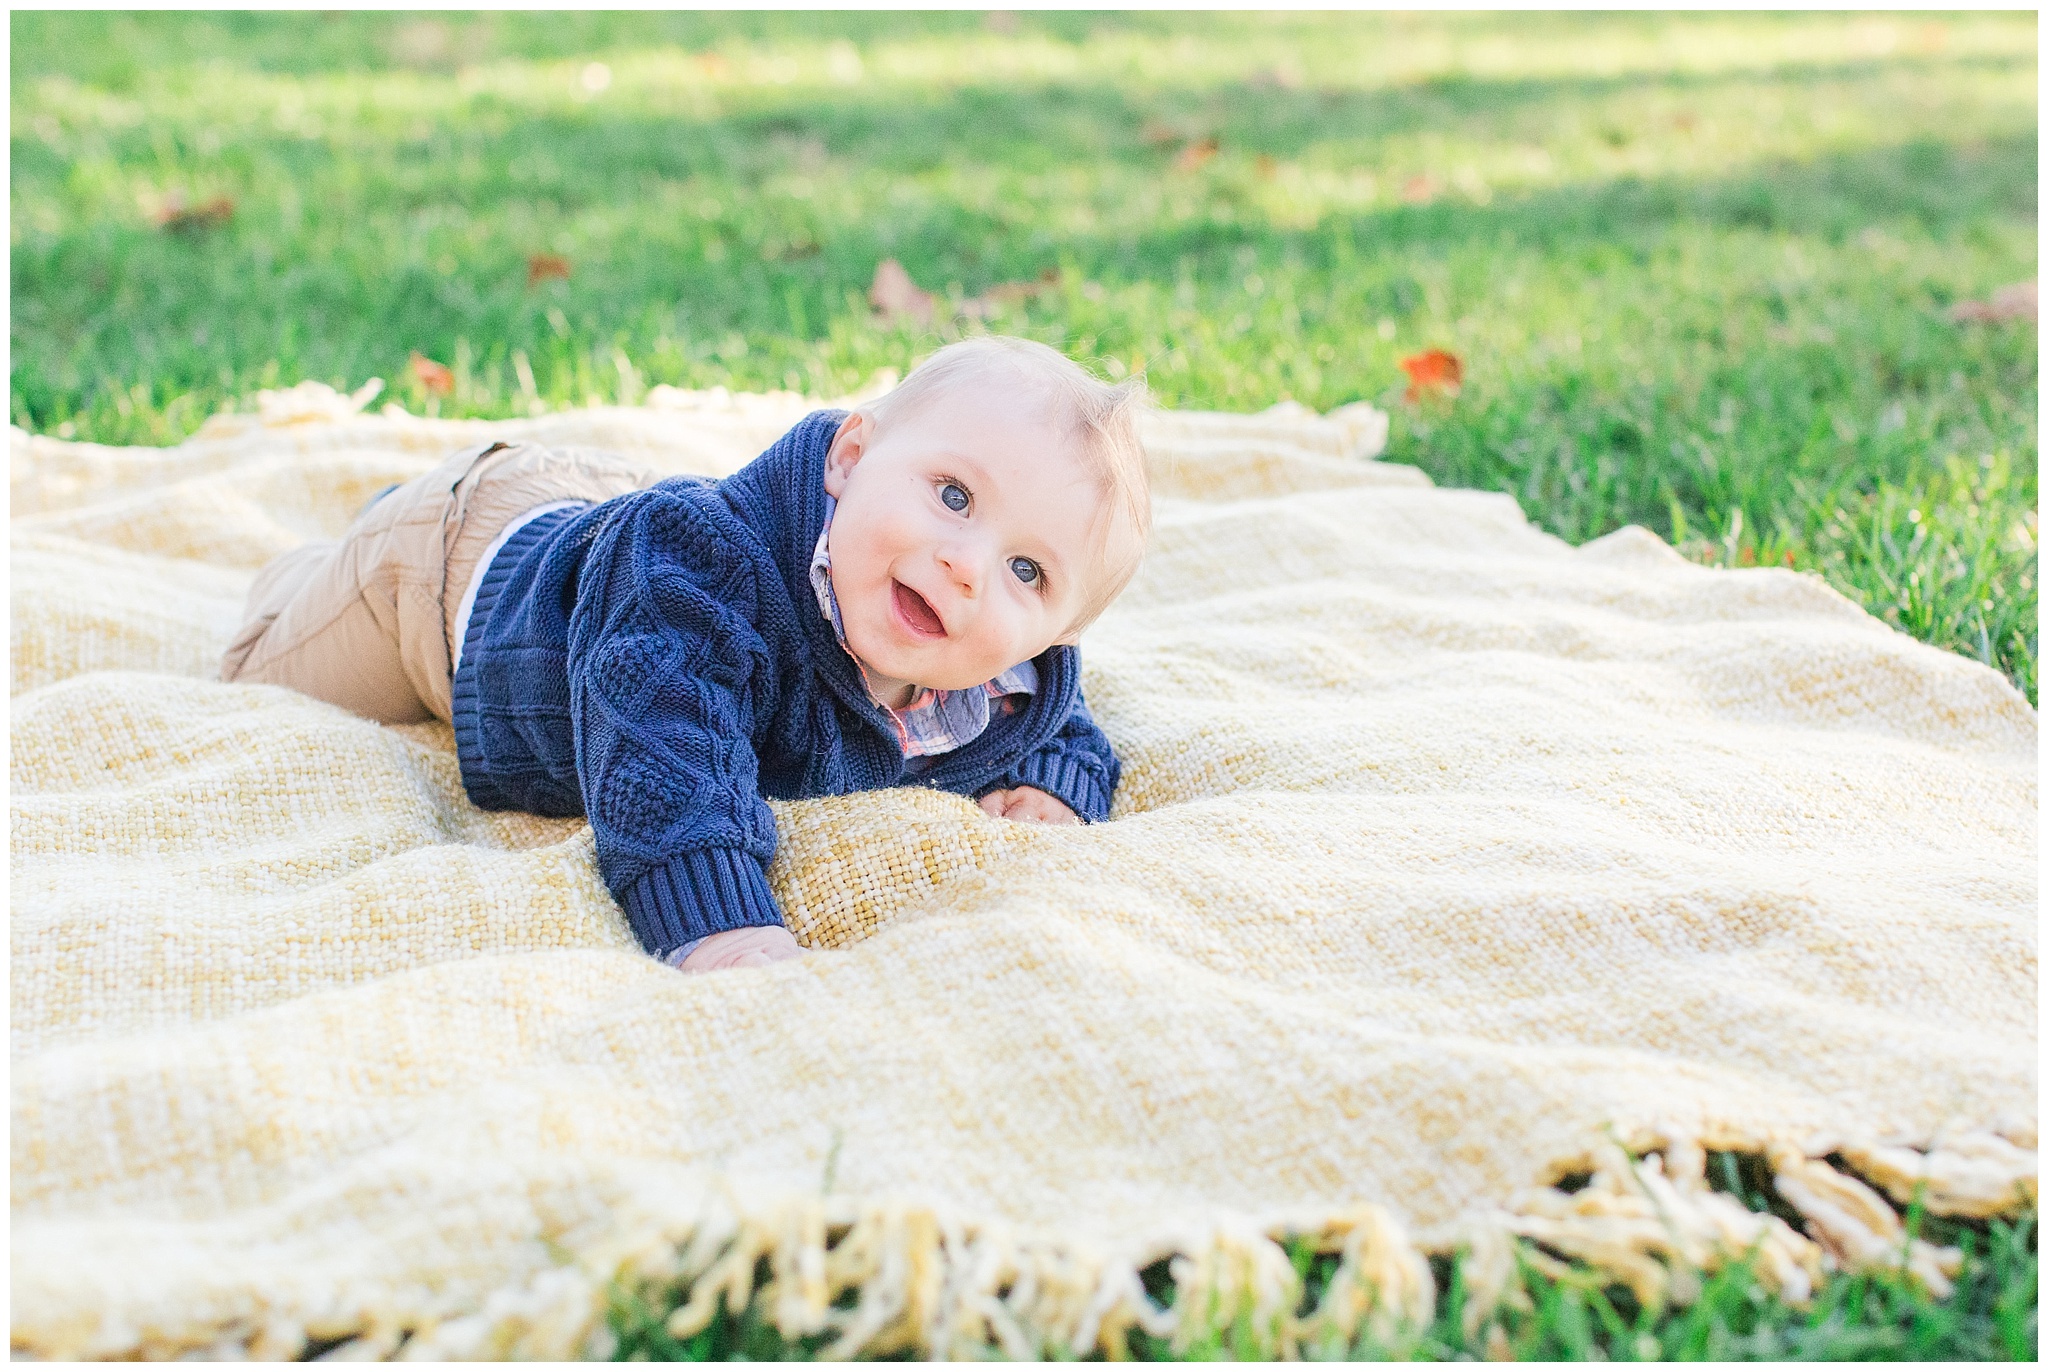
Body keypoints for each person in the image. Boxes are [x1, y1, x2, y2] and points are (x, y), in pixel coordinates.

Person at [221, 336, 1152, 972]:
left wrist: (1058, 785)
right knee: (262, 673)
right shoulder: (695, 579)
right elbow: (664, 760)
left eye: (1026, 569)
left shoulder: (999, 680)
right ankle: (360, 533)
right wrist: (721, 925)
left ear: (1057, 632)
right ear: (849, 456)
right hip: (445, 578)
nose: (964, 566)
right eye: (953, 495)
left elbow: (1057, 725)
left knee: (632, 536)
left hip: (605, 526)